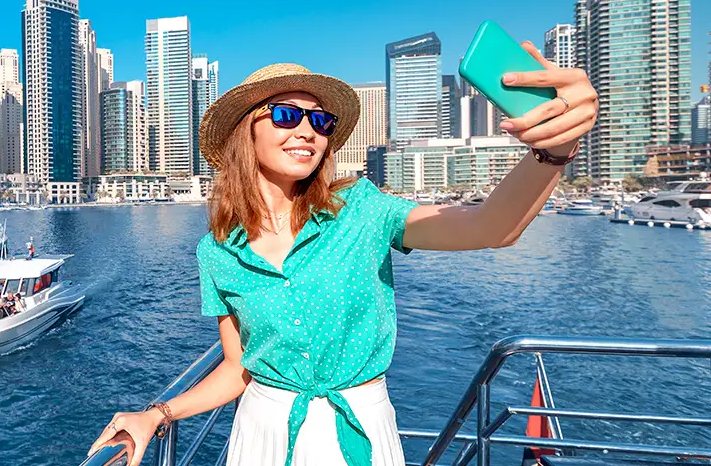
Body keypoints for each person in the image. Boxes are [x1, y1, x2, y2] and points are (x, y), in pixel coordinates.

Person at [88, 59, 598, 466]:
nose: (307, 130)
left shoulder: (364, 210)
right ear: (248, 133)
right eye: (287, 115)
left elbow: (491, 227)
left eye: (320, 120)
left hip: (360, 429)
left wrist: (553, 150)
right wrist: (156, 414)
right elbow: (239, 368)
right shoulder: (218, 251)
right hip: (262, 435)